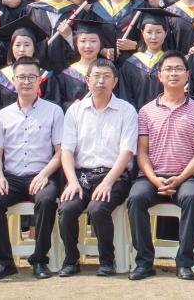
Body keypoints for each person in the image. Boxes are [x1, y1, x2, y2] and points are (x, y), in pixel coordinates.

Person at [127, 50, 194, 281]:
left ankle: (184, 262)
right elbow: (142, 152)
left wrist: (179, 178)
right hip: (150, 176)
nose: (174, 73)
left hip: (186, 177)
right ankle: (144, 262)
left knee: (192, 198)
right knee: (135, 199)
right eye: (168, 69)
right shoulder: (146, 111)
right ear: (159, 75)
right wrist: (154, 179)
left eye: (179, 69)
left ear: (187, 75)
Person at [0, 56, 64, 281]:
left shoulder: (54, 111)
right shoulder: (4, 114)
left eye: (31, 77)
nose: (26, 82)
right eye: (21, 77)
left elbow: (61, 151)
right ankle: (5, 262)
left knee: (46, 200)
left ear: (39, 80)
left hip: (42, 175)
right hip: (11, 177)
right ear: (13, 80)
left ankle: (39, 260)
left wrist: (44, 174)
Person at [58, 58, 138, 277]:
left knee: (97, 209)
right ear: (87, 80)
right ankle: (71, 260)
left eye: (106, 77)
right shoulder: (75, 111)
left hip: (115, 176)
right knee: (67, 209)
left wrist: (108, 182)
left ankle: (106, 260)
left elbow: (127, 152)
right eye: (96, 76)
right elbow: (67, 150)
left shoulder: (126, 111)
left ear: (115, 81)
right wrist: (72, 181)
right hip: (82, 177)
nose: (101, 81)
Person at [0, 16, 55, 125]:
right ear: (11, 48)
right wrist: (8, 116)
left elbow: (53, 105)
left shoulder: (45, 76)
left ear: (34, 48)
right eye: (17, 45)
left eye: (27, 45)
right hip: (8, 127)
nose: (22, 50)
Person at [24, 0, 85, 74]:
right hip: (35, 73)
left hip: (67, 74)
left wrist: (69, 36)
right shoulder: (31, 9)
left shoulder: (78, 12)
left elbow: (85, 48)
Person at [47, 13, 112, 112]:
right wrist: (70, 106)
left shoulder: (109, 72)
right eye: (83, 41)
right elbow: (57, 103)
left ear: (100, 44)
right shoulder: (66, 75)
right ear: (76, 43)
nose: (88, 46)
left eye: (93, 41)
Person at [116, 7, 175, 110]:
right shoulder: (130, 64)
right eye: (149, 32)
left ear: (165, 33)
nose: (153, 37)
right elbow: (125, 96)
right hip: (135, 116)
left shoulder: (172, 63)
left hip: (166, 115)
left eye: (158, 32)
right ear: (142, 33)